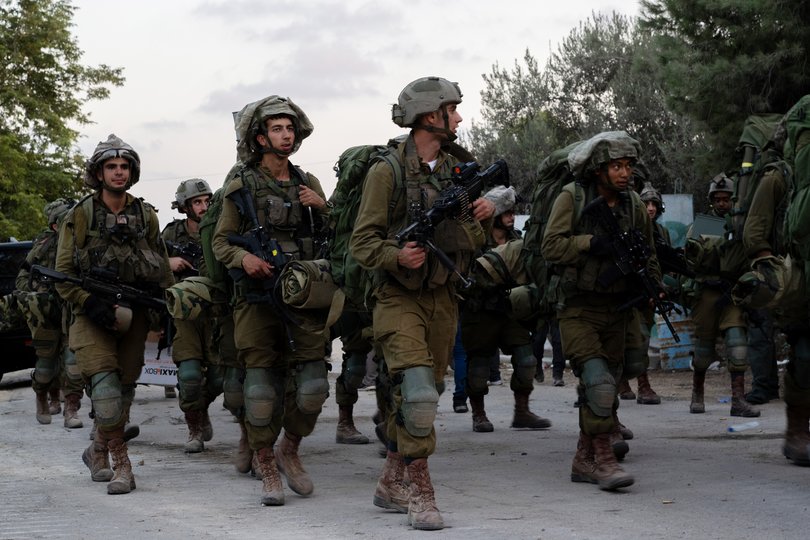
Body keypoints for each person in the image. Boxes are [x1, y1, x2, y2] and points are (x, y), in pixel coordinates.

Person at [350, 76, 494, 530]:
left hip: (442, 297)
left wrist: (478, 218)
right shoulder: (386, 170)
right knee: (417, 395)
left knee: (419, 397)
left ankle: (391, 479)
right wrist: (396, 254)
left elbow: (472, 239)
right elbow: (361, 242)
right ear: (432, 116)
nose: (460, 117)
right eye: (453, 109)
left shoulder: (458, 170)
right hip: (396, 297)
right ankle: (421, 493)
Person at [212, 95, 330, 506]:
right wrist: (245, 258)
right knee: (260, 389)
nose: (286, 134)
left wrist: (325, 209)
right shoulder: (242, 185)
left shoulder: (308, 184)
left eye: (290, 128)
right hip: (257, 298)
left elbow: (339, 238)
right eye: (277, 128)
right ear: (261, 137)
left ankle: (289, 450)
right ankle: (265, 463)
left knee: (314, 385)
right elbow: (221, 242)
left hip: (305, 298)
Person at [541, 131, 662, 491]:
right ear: (598, 170)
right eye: (616, 167)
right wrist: (592, 243)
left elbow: (649, 252)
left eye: (628, 166)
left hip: (618, 309)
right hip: (578, 307)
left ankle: (584, 456)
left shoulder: (635, 205)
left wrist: (652, 284)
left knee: (605, 386)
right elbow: (551, 246)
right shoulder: (572, 198)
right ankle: (604, 461)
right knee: (598, 382)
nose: (625, 174)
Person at [55, 134, 173, 495]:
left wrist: (167, 310)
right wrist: (88, 302)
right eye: (111, 167)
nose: (119, 173)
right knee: (105, 393)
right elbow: (62, 275)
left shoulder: (145, 215)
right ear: (99, 172)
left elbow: (163, 268)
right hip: (92, 316)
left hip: (134, 313)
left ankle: (97, 451)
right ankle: (124, 467)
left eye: (124, 167)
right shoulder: (81, 215)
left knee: (123, 392)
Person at [461, 185, 552, 433]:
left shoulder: (518, 241)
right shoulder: (474, 240)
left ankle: (521, 412)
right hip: (480, 311)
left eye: (513, 213)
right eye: (507, 213)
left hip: (510, 310)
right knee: (479, 367)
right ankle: (479, 414)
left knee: (527, 360)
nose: (512, 217)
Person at [684, 174, 759, 418]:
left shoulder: (742, 225)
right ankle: (697, 394)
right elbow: (690, 259)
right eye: (717, 199)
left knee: (737, 346)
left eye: (727, 199)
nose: (722, 203)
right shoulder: (702, 225)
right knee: (704, 350)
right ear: (711, 201)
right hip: (707, 292)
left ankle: (738, 400)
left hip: (732, 292)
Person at [162, 178, 224, 453]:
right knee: (188, 377)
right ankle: (194, 427)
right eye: (197, 202)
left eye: (207, 201)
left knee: (222, 377)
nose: (203, 206)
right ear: (185, 207)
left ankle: (201, 407)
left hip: (217, 313)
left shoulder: (221, 227)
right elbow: (147, 264)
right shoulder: (171, 235)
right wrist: (168, 263)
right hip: (185, 317)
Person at [15, 198, 85, 427]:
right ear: (55, 226)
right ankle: (42, 397)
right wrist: (39, 292)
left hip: (73, 309)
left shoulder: (80, 245)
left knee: (73, 363)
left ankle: (71, 410)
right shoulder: (43, 247)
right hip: (47, 313)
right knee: (46, 366)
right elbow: (23, 278)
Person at [616, 182, 664, 405]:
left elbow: (655, 260)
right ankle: (626, 382)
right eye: (646, 204)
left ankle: (641, 384)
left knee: (642, 338)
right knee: (626, 338)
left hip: (647, 292)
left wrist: (657, 286)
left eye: (654, 204)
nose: (651, 208)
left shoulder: (660, 232)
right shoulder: (625, 225)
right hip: (626, 290)